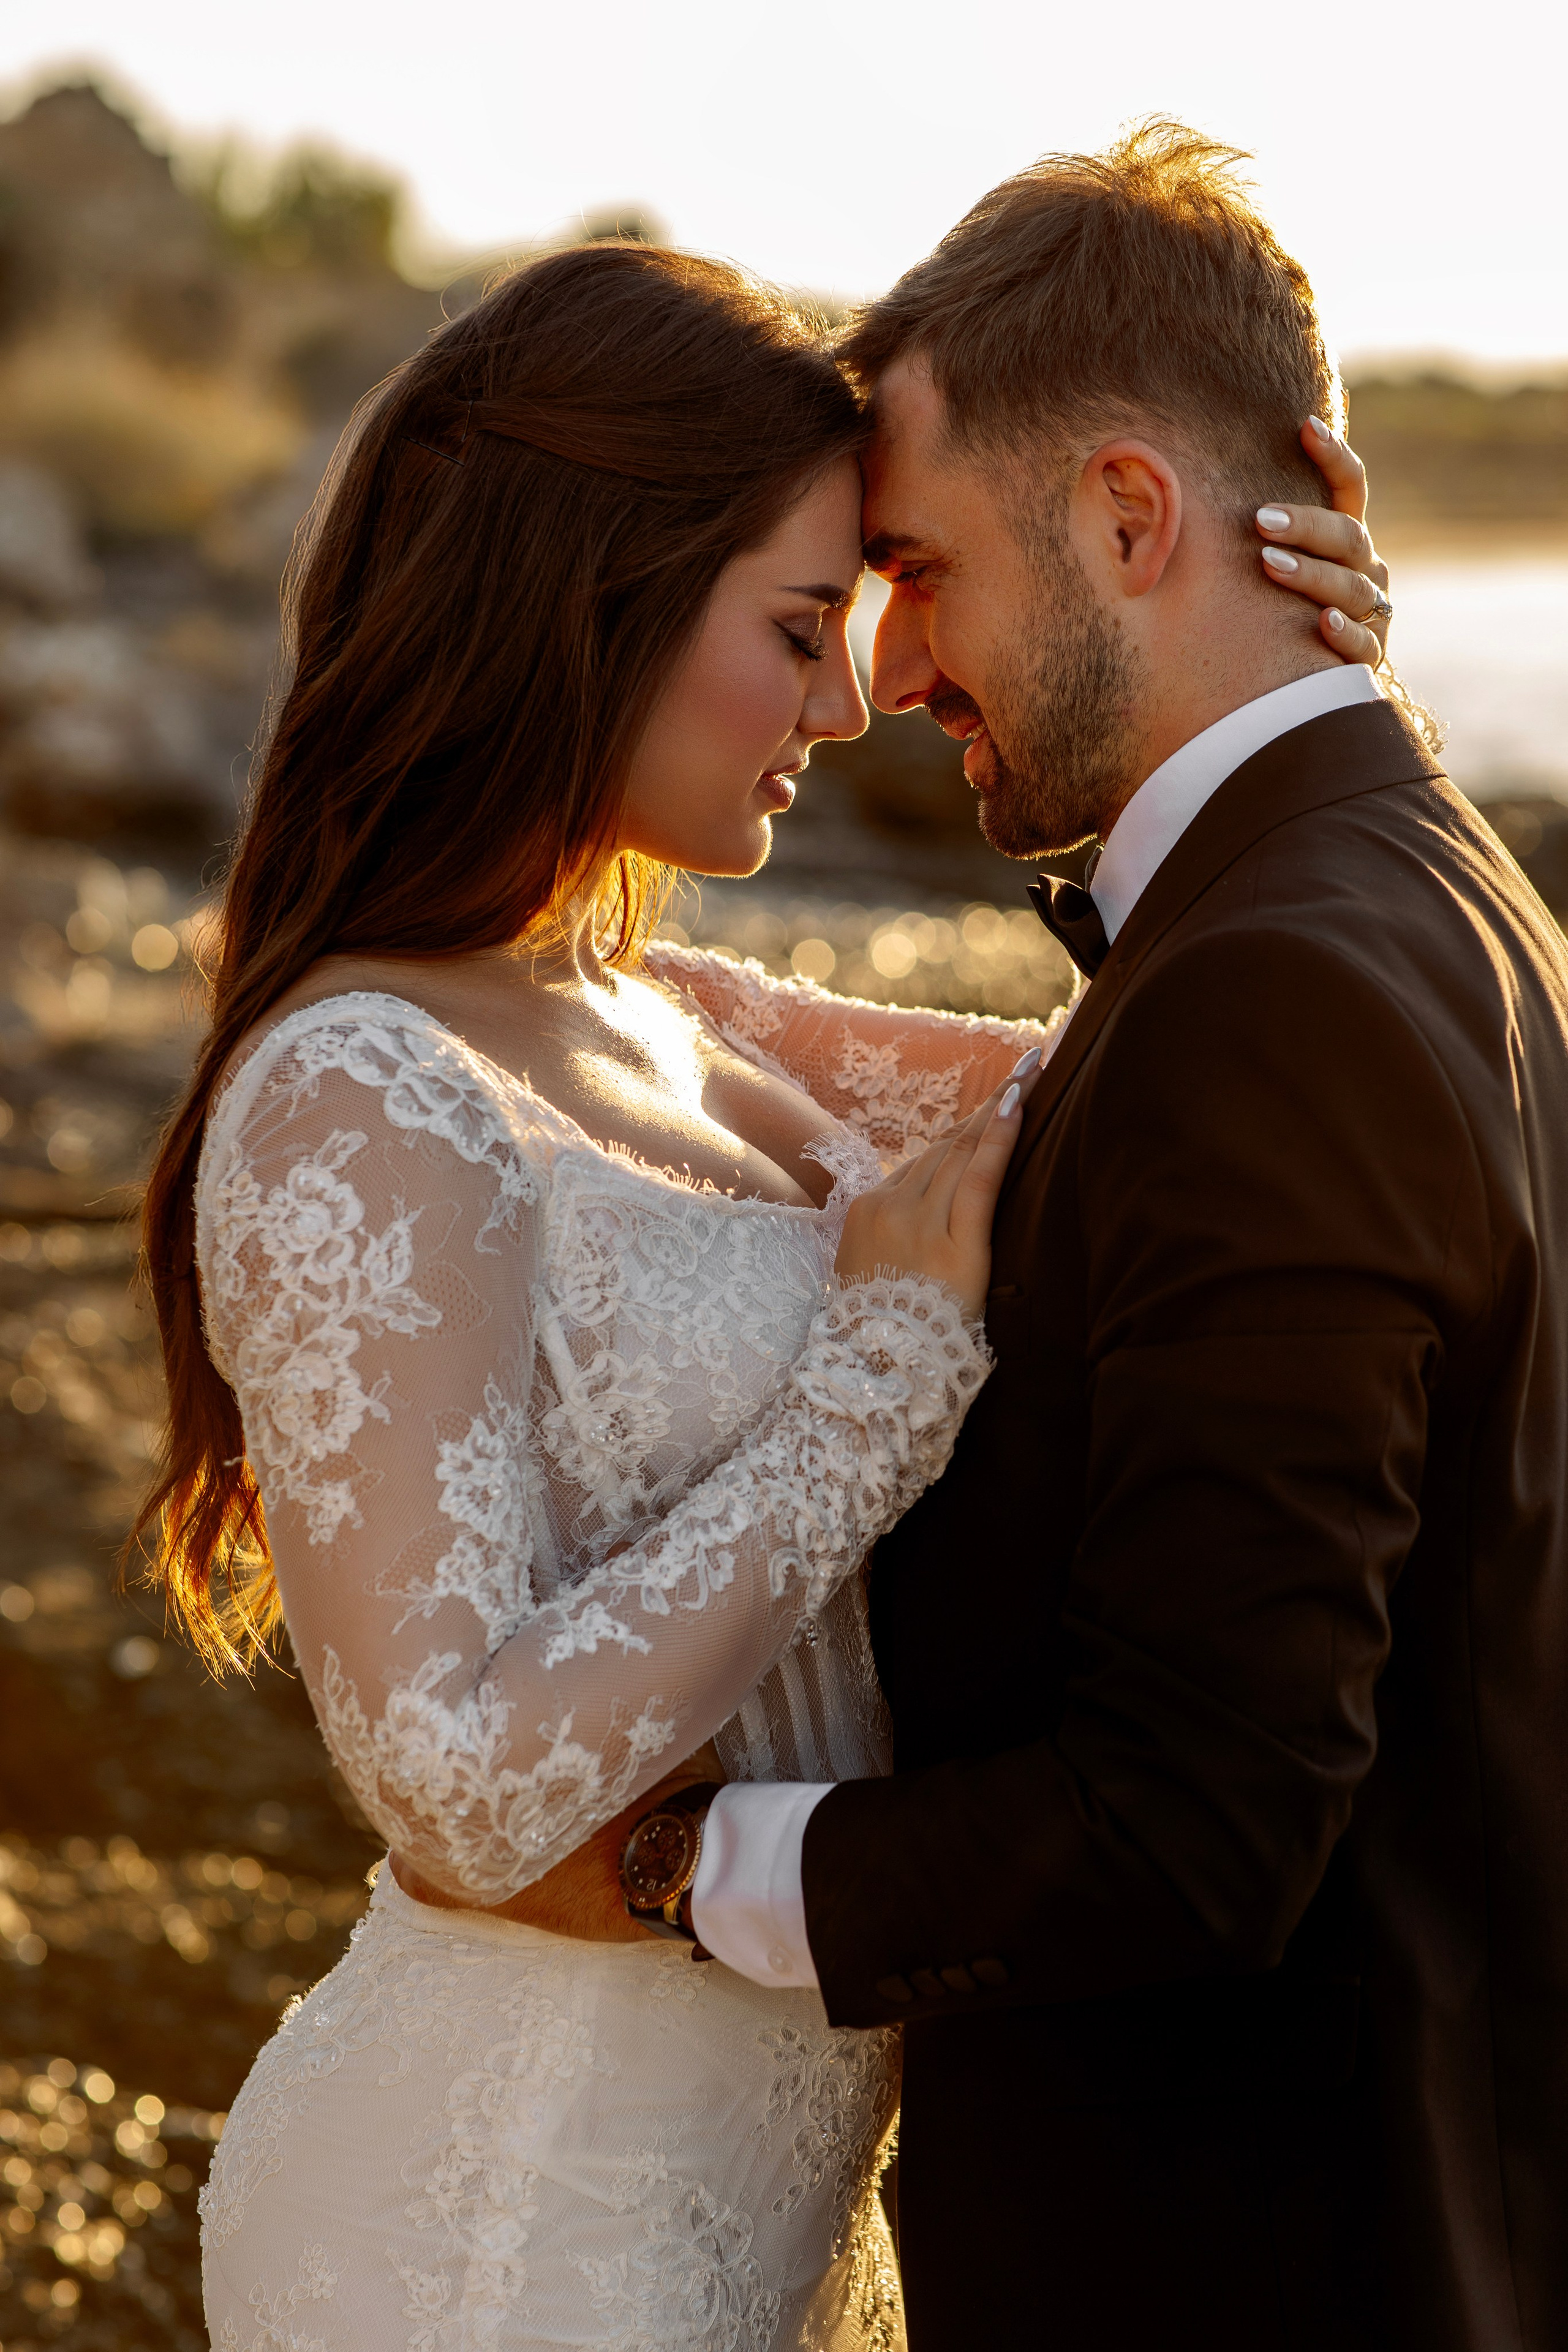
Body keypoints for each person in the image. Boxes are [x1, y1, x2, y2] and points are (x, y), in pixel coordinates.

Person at [136, 236, 1387, 2346]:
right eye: (801, 627)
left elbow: (1192, 1071)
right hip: (501, 2222)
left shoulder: (675, 1014)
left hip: (772, 2196)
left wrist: (1300, 686)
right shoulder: (355, 1091)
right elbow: (452, 1781)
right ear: (593, 597)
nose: (846, 701)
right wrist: (875, 1381)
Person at [692, 126, 1568, 2351]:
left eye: (921, 567)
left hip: (1250, 2264)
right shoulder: (1454, 895)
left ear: (1126, 514)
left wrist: (671, 1877)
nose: (887, 672)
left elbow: (1201, 1816)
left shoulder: (1279, 989)